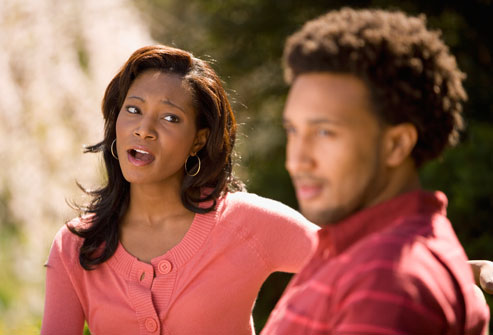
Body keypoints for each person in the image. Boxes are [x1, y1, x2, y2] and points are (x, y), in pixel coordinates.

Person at [41, 45, 318, 335]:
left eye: (170, 118)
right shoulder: (76, 245)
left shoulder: (246, 223)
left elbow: (361, 266)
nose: (144, 129)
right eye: (133, 110)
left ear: (198, 141)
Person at [262, 8, 490, 334]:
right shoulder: (363, 250)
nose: (296, 160)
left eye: (325, 132)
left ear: (396, 144)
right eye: (293, 131)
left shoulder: (386, 279)